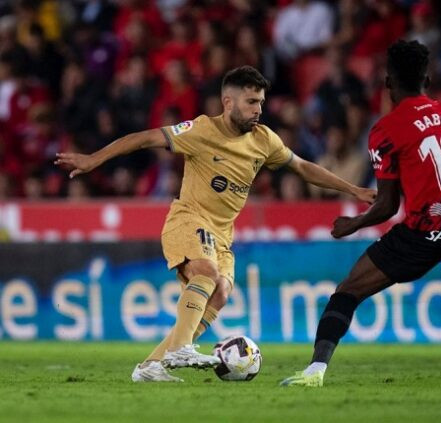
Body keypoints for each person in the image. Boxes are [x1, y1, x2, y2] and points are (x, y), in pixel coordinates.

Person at [55, 66, 375, 383]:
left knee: (220, 292)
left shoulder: (264, 140)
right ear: (228, 102)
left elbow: (303, 167)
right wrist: (93, 159)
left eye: (260, 102)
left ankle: (151, 366)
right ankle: (181, 348)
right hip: (189, 219)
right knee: (206, 273)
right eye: (251, 102)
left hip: (222, 235)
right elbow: (145, 138)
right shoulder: (201, 131)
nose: (258, 110)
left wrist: (354, 189)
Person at [280, 40, 441, 388]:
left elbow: (387, 206)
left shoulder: (385, 131)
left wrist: (352, 224)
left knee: (347, 291)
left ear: (388, 84)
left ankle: (314, 373)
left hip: (427, 230)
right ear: (427, 80)